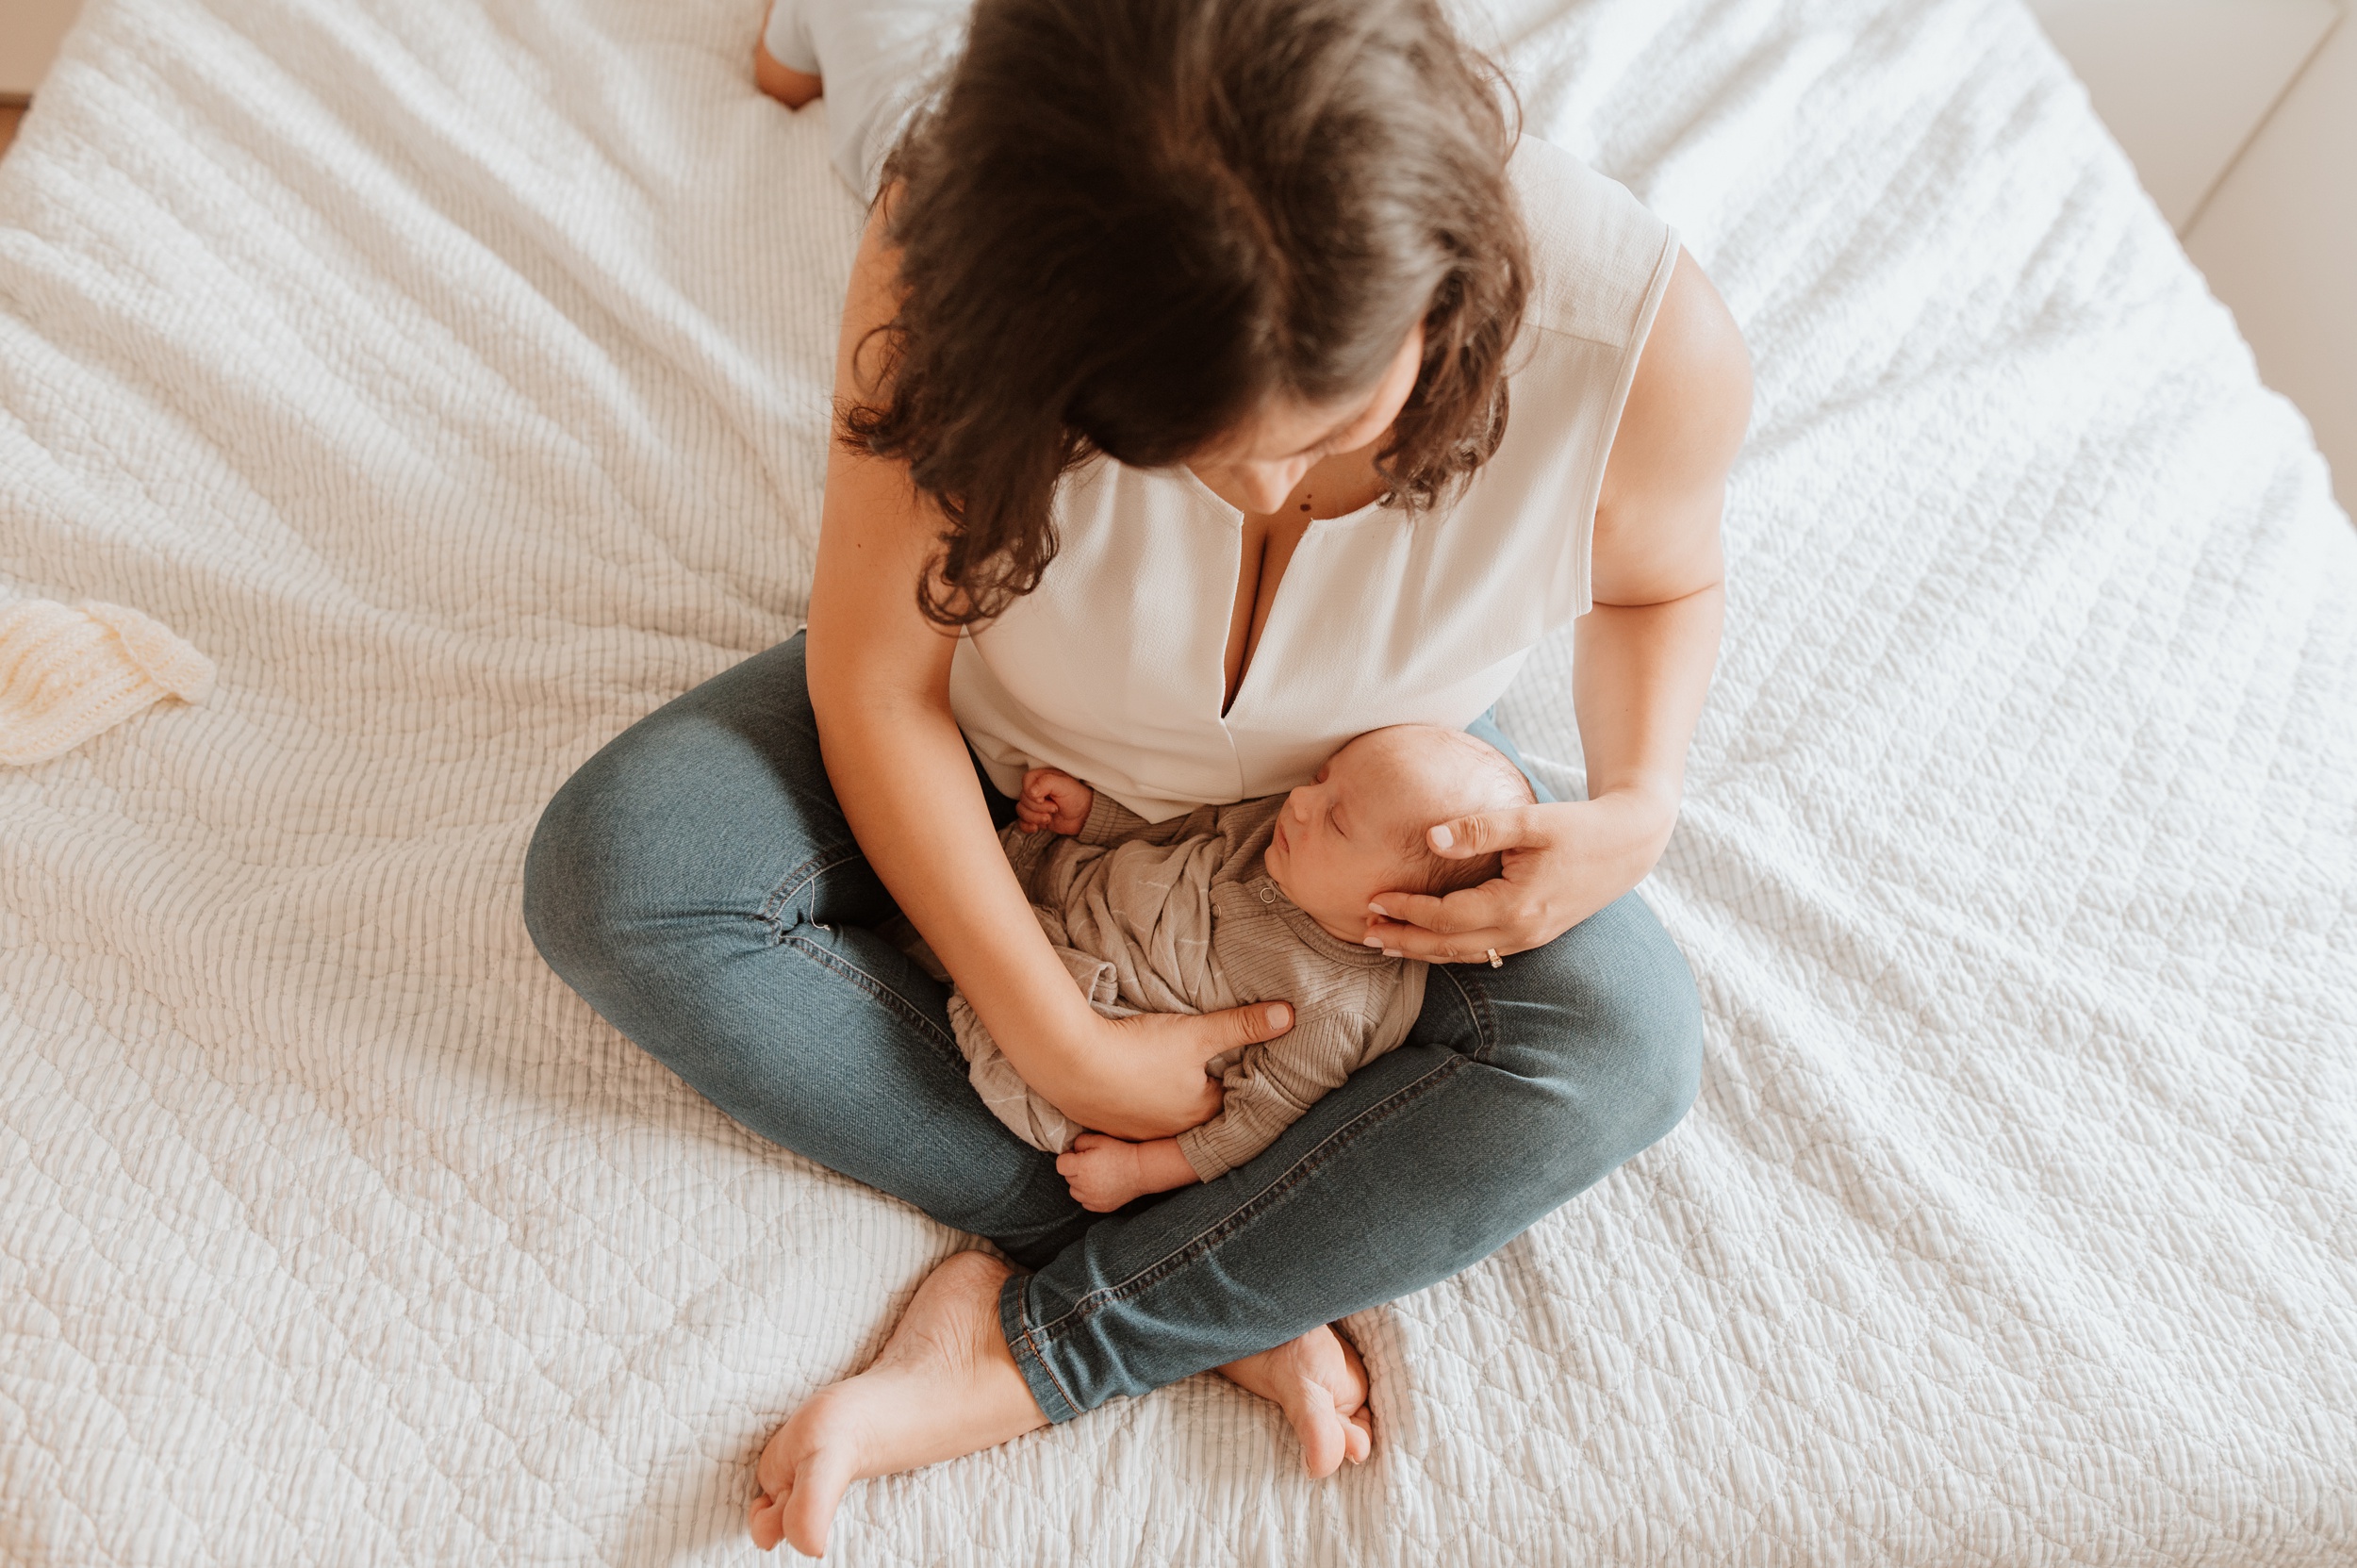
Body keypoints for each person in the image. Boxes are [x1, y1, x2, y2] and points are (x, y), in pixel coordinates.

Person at [523, 0, 1748, 1555]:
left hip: (1339, 809)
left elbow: (1659, 586)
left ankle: (1040, 1350)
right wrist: (1066, 1045)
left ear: (1454, 287)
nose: (1267, 489)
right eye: (1191, 450)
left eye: (1338, 431)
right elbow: (880, 680)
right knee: (620, 873)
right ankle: (1212, 1279)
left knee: (1620, 1042)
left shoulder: (1641, 341)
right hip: (1005, 743)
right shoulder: (960, 252)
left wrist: (1637, 803)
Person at [946, 726, 1537, 1212]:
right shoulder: (1276, 831)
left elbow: (1253, 1121)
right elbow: (1184, 826)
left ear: (1396, 908)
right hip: (1047, 885)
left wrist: (1139, 1170)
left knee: (984, 1025)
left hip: (1091, 1000)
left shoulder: (1334, 1010)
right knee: (960, 888)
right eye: (1320, 778)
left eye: (1336, 821)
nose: (1301, 802)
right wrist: (1091, 817)